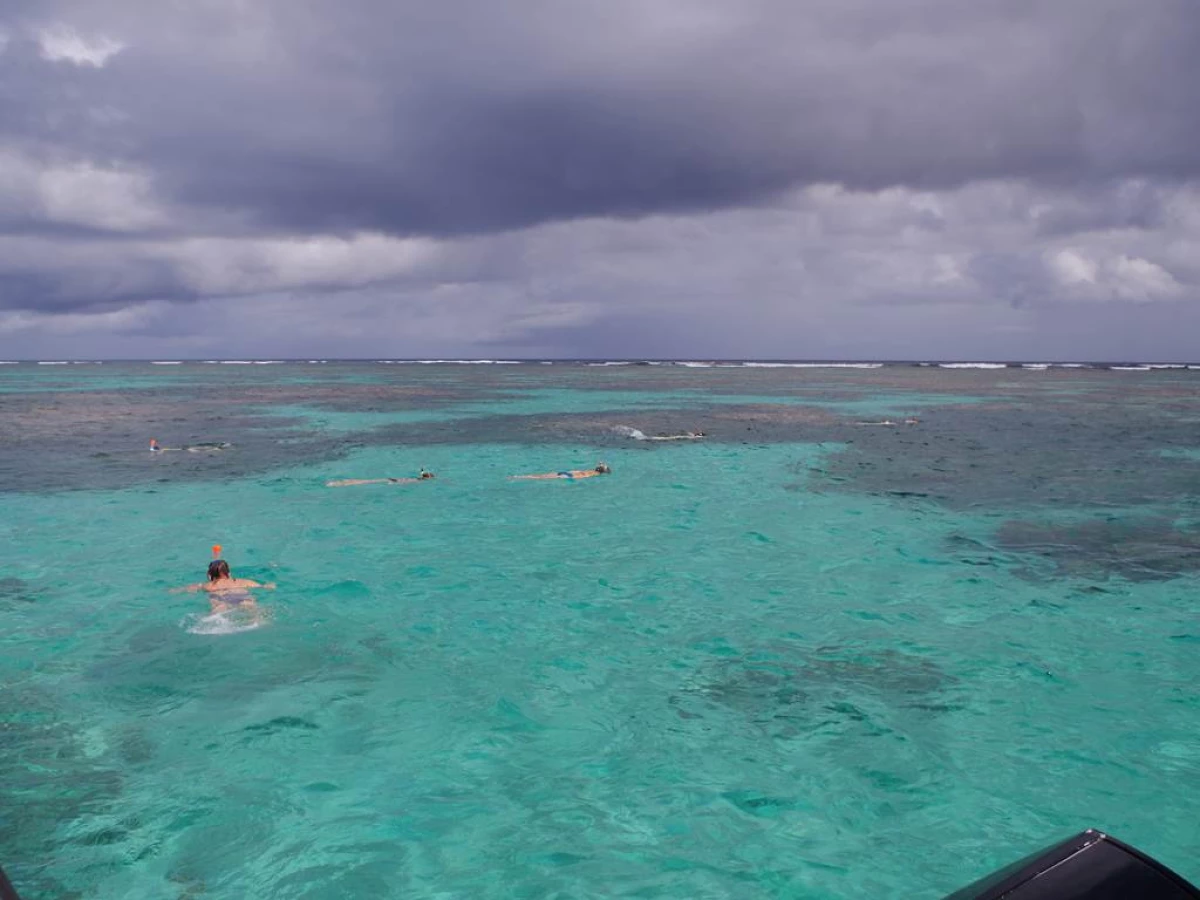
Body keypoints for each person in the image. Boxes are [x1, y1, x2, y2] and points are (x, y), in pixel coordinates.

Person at [176, 558, 274, 616]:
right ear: (228, 572)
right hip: (241, 596)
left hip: (220, 598)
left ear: (209, 574)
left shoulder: (207, 586)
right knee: (251, 608)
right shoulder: (243, 582)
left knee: (218, 611)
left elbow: (187, 589)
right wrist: (268, 585)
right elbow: (267, 586)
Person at [326, 469, 436, 487]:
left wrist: (422, 471)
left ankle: (339, 483)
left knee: (367, 481)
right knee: (367, 482)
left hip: (394, 479)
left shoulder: (420, 478)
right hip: (395, 481)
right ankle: (339, 484)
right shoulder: (419, 481)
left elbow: (421, 474)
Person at [512, 463, 612, 481]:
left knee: (540, 476)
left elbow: (601, 465)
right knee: (540, 478)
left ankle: (519, 476)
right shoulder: (594, 474)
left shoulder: (591, 471)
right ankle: (519, 477)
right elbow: (580, 477)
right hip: (568, 476)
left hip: (566, 472)